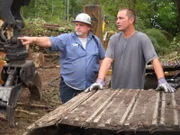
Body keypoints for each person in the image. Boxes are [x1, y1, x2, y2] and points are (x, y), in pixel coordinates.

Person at [18, 13, 105, 103]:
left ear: (88, 27)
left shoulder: (95, 41)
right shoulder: (66, 39)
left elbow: (102, 59)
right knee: (68, 111)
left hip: (90, 85)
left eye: (81, 25)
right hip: (69, 86)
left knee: (86, 111)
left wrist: (100, 78)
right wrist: (33, 39)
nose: (78, 27)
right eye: (76, 24)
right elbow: (49, 41)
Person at [86, 8, 175, 93]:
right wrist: (100, 80)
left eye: (121, 18)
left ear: (131, 20)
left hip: (136, 92)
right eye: (117, 18)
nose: (117, 21)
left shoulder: (142, 39)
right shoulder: (114, 39)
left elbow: (154, 60)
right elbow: (107, 60)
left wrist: (162, 80)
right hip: (114, 91)